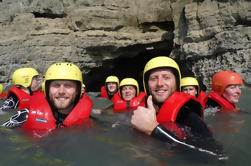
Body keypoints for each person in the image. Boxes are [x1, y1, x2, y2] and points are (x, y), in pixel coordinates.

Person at [131, 56, 213, 143]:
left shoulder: (189, 117)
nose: (160, 83)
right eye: (153, 78)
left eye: (166, 77)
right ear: (147, 85)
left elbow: (212, 154)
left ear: (176, 82)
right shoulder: (141, 113)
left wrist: (153, 129)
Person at [1, 63, 93, 139]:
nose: (61, 91)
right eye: (56, 85)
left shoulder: (89, 119)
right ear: (47, 89)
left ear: (78, 90)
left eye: (68, 86)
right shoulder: (24, 115)